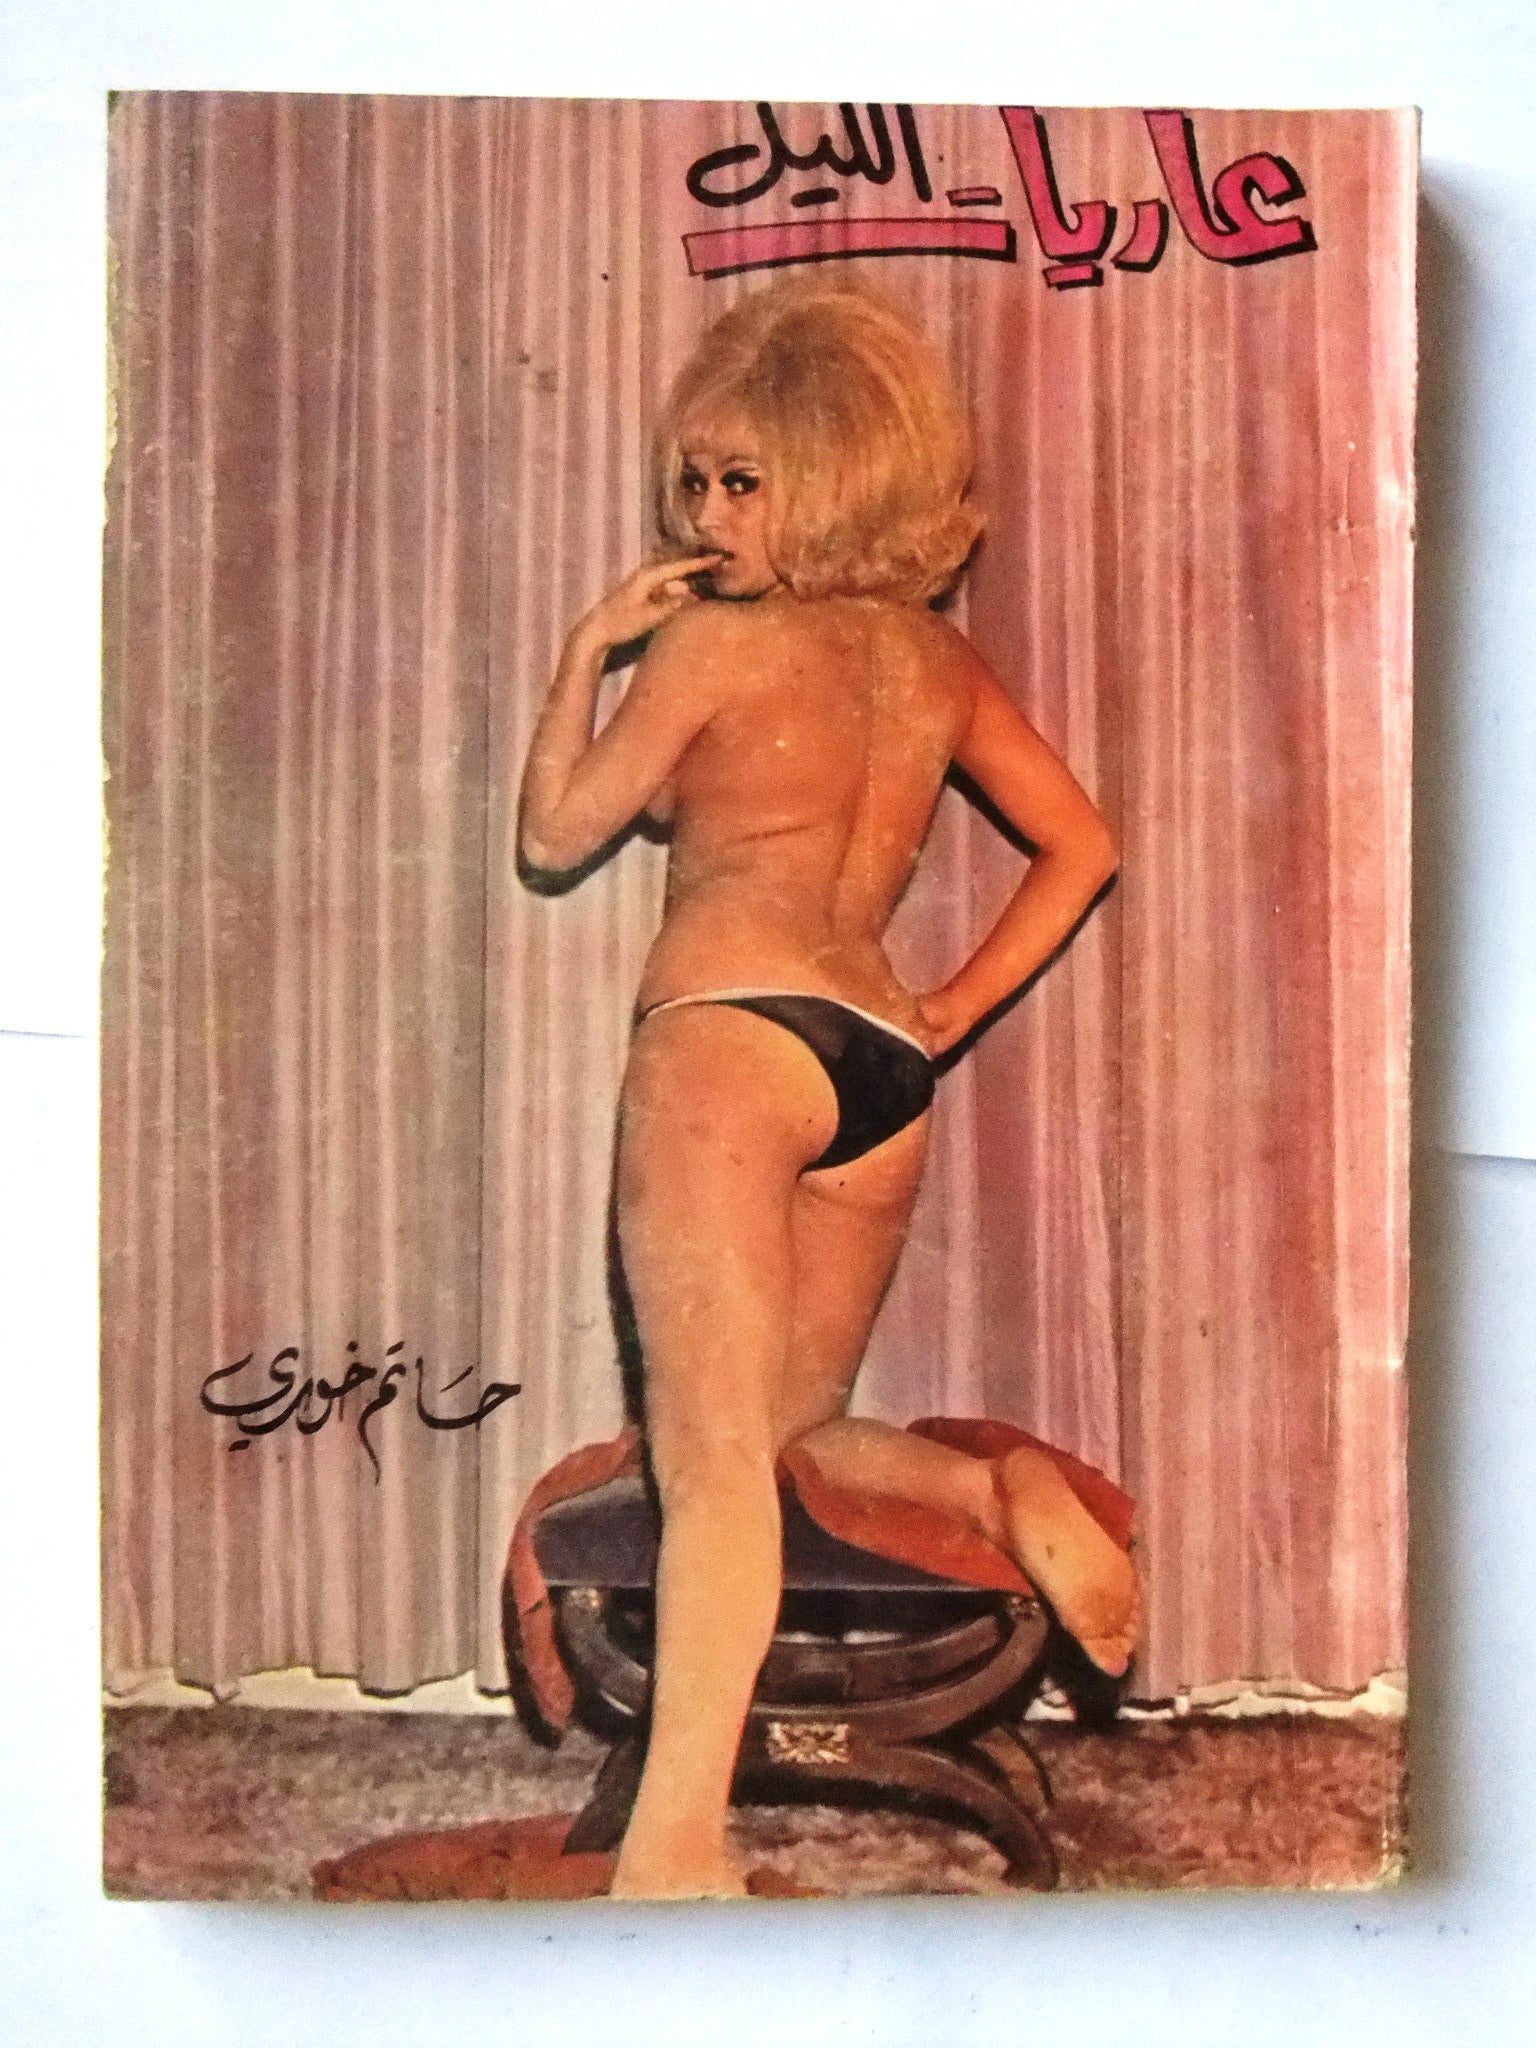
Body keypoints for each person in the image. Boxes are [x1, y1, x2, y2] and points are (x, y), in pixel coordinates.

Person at [518, 280, 1139, 1898]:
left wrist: (589, 653)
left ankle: (675, 1851)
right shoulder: (932, 660)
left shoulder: (709, 645)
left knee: (714, 1459)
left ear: (837, 478)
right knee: (796, 1433)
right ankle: (995, 1488)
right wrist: (944, 1012)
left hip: (727, 1037)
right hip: (878, 1066)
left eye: (745, 482)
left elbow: (557, 833)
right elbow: (1082, 845)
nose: (704, 517)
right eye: (694, 480)